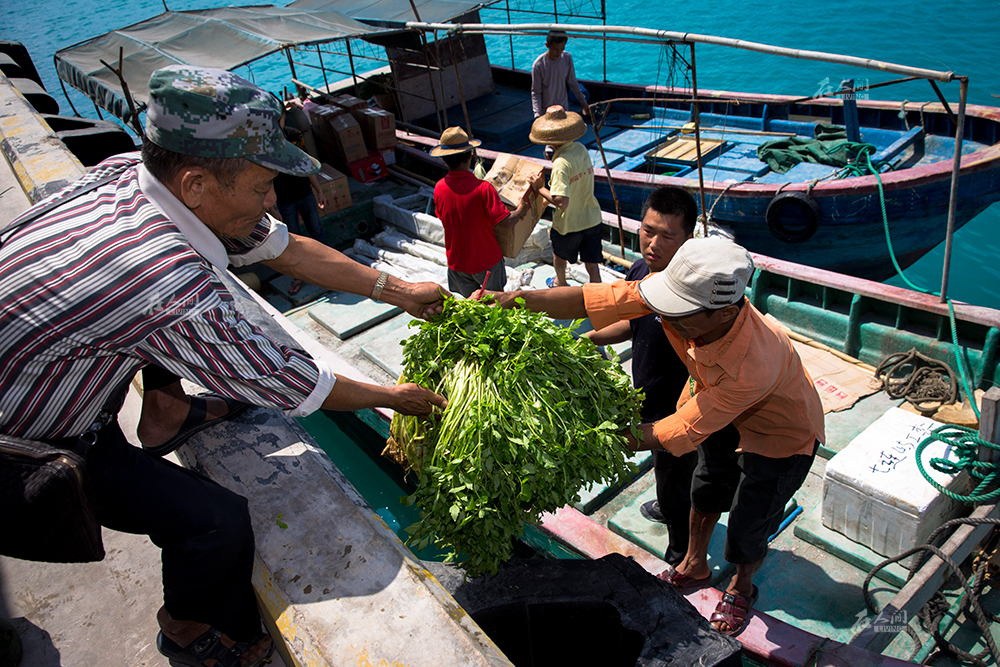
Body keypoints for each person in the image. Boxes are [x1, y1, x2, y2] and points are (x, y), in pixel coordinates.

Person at [0, 66, 448, 667]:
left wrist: (396, 290)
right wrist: (393, 397)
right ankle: (192, 629)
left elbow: (283, 247)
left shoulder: (126, 178)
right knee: (216, 523)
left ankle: (169, 406)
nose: (272, 200)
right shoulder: (166, 279)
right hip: (23, 442)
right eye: (264, 186)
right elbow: (294, 383)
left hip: (44, 374)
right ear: (196, 183)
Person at [489, 236, 824, 637]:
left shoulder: (754, 363)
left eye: (681, 316)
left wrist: (589, 440)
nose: (667, 318)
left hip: (779, 434)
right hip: (711, 400)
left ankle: (741, 586)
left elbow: (677, 430)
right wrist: (518, 299)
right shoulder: (679, 299)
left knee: (750, 520)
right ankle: (694, 564)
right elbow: (593, 299)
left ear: (725, 314)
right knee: (706, 486)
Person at [585, 186, 702, 566]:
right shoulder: (640, 272)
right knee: (664, 471)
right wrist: (586, 339)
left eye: (667, 236)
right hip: (646, 401)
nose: (653, 243)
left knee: (677, 481)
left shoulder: (696, 297)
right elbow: (630, 324)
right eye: (648, 230)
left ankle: (680, 553)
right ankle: (669, 509)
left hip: (681, 413)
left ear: (688, 238)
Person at [431, 127, 538, 298]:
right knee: (496, 302)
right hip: (486, 261)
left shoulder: (439, 188)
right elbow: (507, 222)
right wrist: (521, 209)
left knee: (470, 307)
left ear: (444, 160)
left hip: (457, 262)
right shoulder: (483, 189)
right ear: (469, 156)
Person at [528, 106, 603, 288]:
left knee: (559, 255)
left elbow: (562, 202)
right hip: (592, 217)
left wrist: (540, 188)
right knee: (592, 264)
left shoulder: (560, 164)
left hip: (570, 224)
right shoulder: (580, 149)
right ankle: (598, 294)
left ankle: (560, 282)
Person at [271, 124, 329, 296]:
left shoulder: (294, 135)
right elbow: (265, 180)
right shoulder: (264, 142)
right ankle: (300, 275)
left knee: (316, 230)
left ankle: (329, 266)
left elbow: (307, 165)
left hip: (305, 193)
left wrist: (319, 190)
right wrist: (272, 210)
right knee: (293, 239)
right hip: (284, 200)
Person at [531, 30, 589, 160]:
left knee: (566, 146)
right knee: (551, 149)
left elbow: (573, 83)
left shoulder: (567, 58)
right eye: (556, 49)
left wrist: (583, 102)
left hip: (563, 111)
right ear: (547, 45)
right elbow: (536, 92)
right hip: (547, 115)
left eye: (562, 48)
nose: (559, 53)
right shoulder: (538, 65)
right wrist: (537, 116)